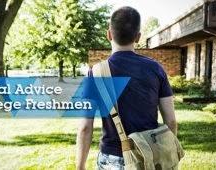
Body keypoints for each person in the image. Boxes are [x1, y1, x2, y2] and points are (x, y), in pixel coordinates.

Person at [76, 6, 177, 170]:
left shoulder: (95, 73)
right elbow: (171, 121)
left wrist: (79, 167)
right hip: (148, 156)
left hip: (111, 160)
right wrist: (168, 153)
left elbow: (85, 128)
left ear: (109, 34)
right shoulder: (156, 69)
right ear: (138, 37)